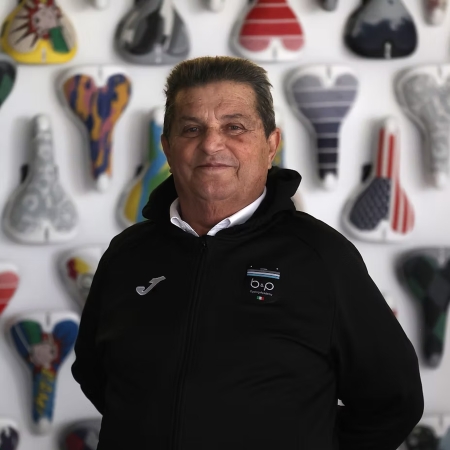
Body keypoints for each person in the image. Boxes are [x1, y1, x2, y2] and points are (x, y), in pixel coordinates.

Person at [72, 56, 424, 450]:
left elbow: (394, 400)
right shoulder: (127, 253)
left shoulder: (321, 256)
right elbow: (95, 374)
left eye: (234, 127)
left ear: (271, 145)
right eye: (192, 129)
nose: (211, 144)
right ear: (168, 148)